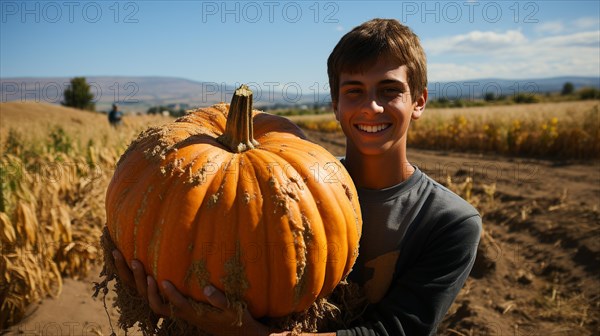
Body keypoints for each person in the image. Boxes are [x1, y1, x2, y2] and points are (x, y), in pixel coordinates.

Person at [112, 18, 482, 335]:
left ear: (419, 101)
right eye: (354, 91)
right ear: (335, 104)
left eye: (390, 91)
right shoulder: (283, 189)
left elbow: (394, 331)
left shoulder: (449, 222)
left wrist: (251, 334)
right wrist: (167, 286)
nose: (371, 106)